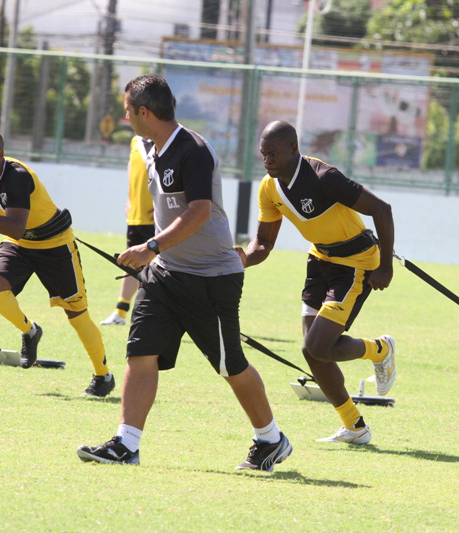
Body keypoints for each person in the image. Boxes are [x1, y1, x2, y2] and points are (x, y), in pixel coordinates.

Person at [77, 75, 291, 470]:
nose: (124, 117)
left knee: (230, 365)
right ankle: (127, 444)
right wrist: (155, 255)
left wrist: (150, 247)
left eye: (127, 110)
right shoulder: (149, 146)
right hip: (166, 274)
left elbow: (199, 213)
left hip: (211, 278)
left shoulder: (193, 150)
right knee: (141, 351)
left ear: (144, 112)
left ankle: (271, 438)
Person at [237, 120, 396, 444]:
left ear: (294, 149)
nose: (267, 161)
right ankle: (355, 427)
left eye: (274, 154)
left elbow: (382, 209)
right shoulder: (269, 188)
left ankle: (380, 349)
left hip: (354, 263)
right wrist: (241, 259)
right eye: (263, 155)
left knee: (317, 346)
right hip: (319, 261)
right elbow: (263, 243)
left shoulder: (325, 178)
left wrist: (386, 265)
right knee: (314, 353)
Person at [0, 128, 115, 397]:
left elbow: (14, 227)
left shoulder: (18, 177)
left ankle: (103, 375)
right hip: (21, 244)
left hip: (55, 245)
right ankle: (31, 331)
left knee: (77, 314)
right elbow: (16, 231)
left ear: (0, 154)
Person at [100, 135, 155, 326]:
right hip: (137, 215)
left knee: (158, 269)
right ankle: (120, 312)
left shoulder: (164, 140)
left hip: (156, 217)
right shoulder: (136, 141)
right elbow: (133, 167)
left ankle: (156, 316)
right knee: (132, 262)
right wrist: (130, 199)